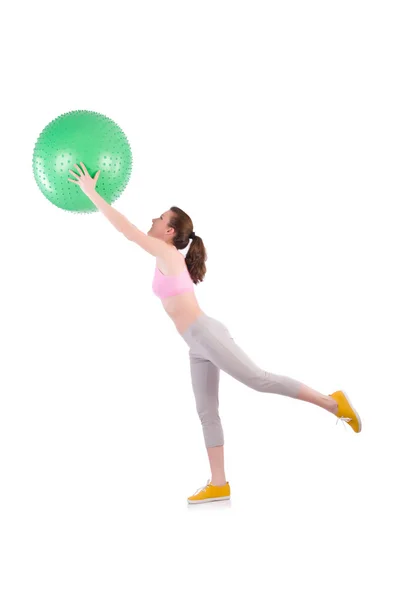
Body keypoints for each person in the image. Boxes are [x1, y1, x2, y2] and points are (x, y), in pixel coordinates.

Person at [69, 163, 363, 505]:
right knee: (206, 411)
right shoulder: (165, 254)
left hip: (205, 334)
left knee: (259, 380)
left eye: (160, 218)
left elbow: (128, 231)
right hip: (196, 343)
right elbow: (136, 232)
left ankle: (333, 403)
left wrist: (92, 193)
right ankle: (219, 483)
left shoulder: (166, 253)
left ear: (169, 233)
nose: (153, 220)